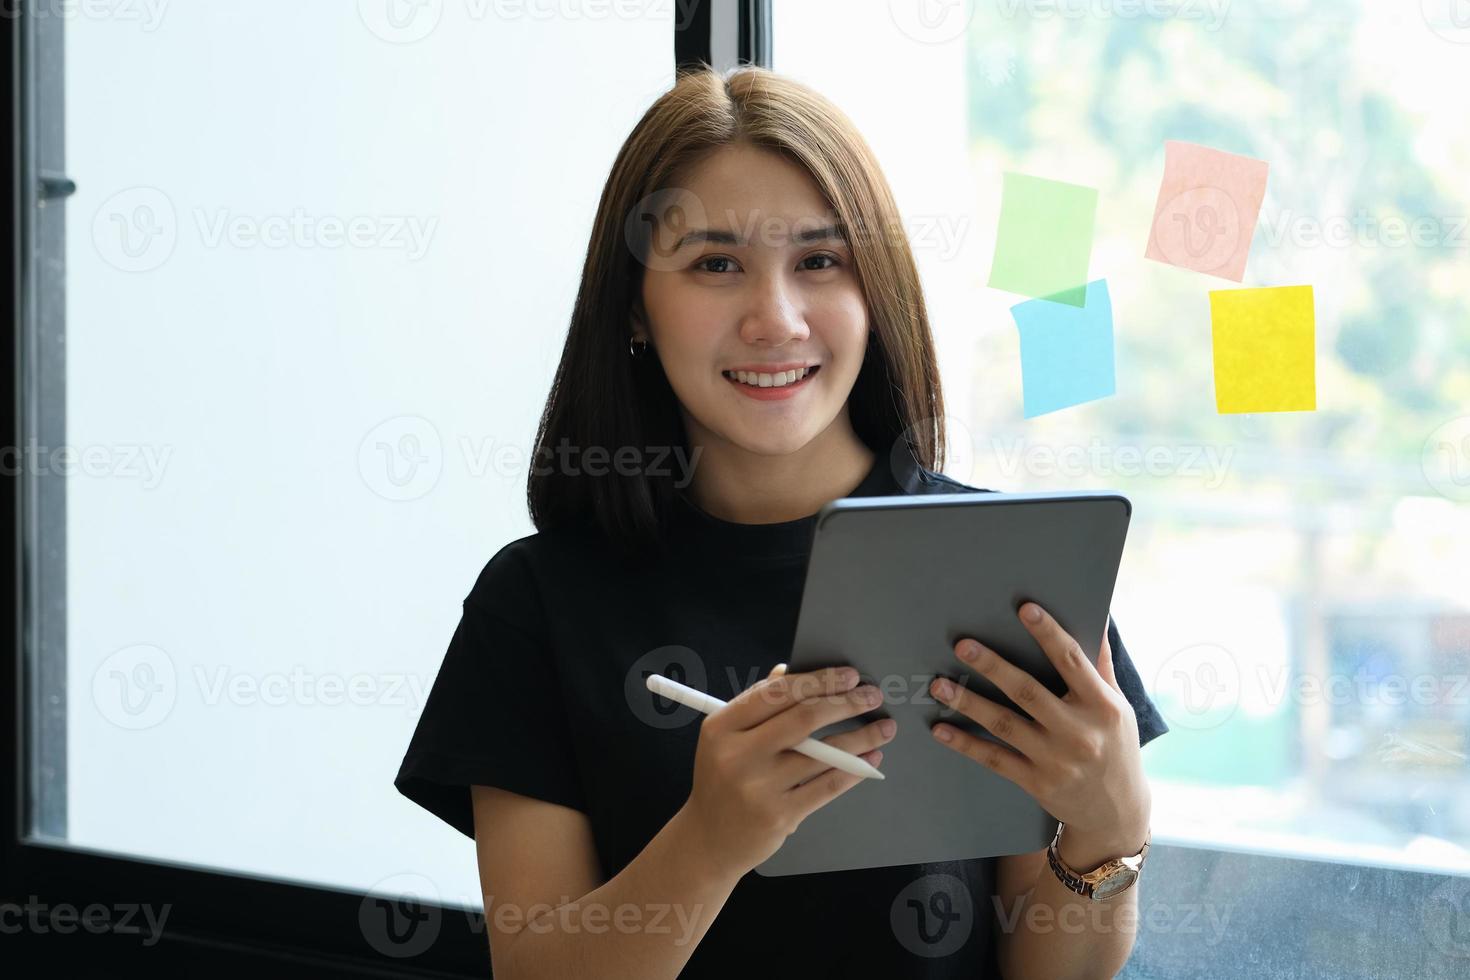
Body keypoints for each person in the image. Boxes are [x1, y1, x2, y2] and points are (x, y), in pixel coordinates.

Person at [395, 62, 1169, 980]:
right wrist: (715, 838)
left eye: (819, 261)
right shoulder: (535, 605)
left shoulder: (1002, 565)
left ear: (873, 295)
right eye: (715, 264)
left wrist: (1109, 832)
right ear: (634, 308)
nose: (776, 318)